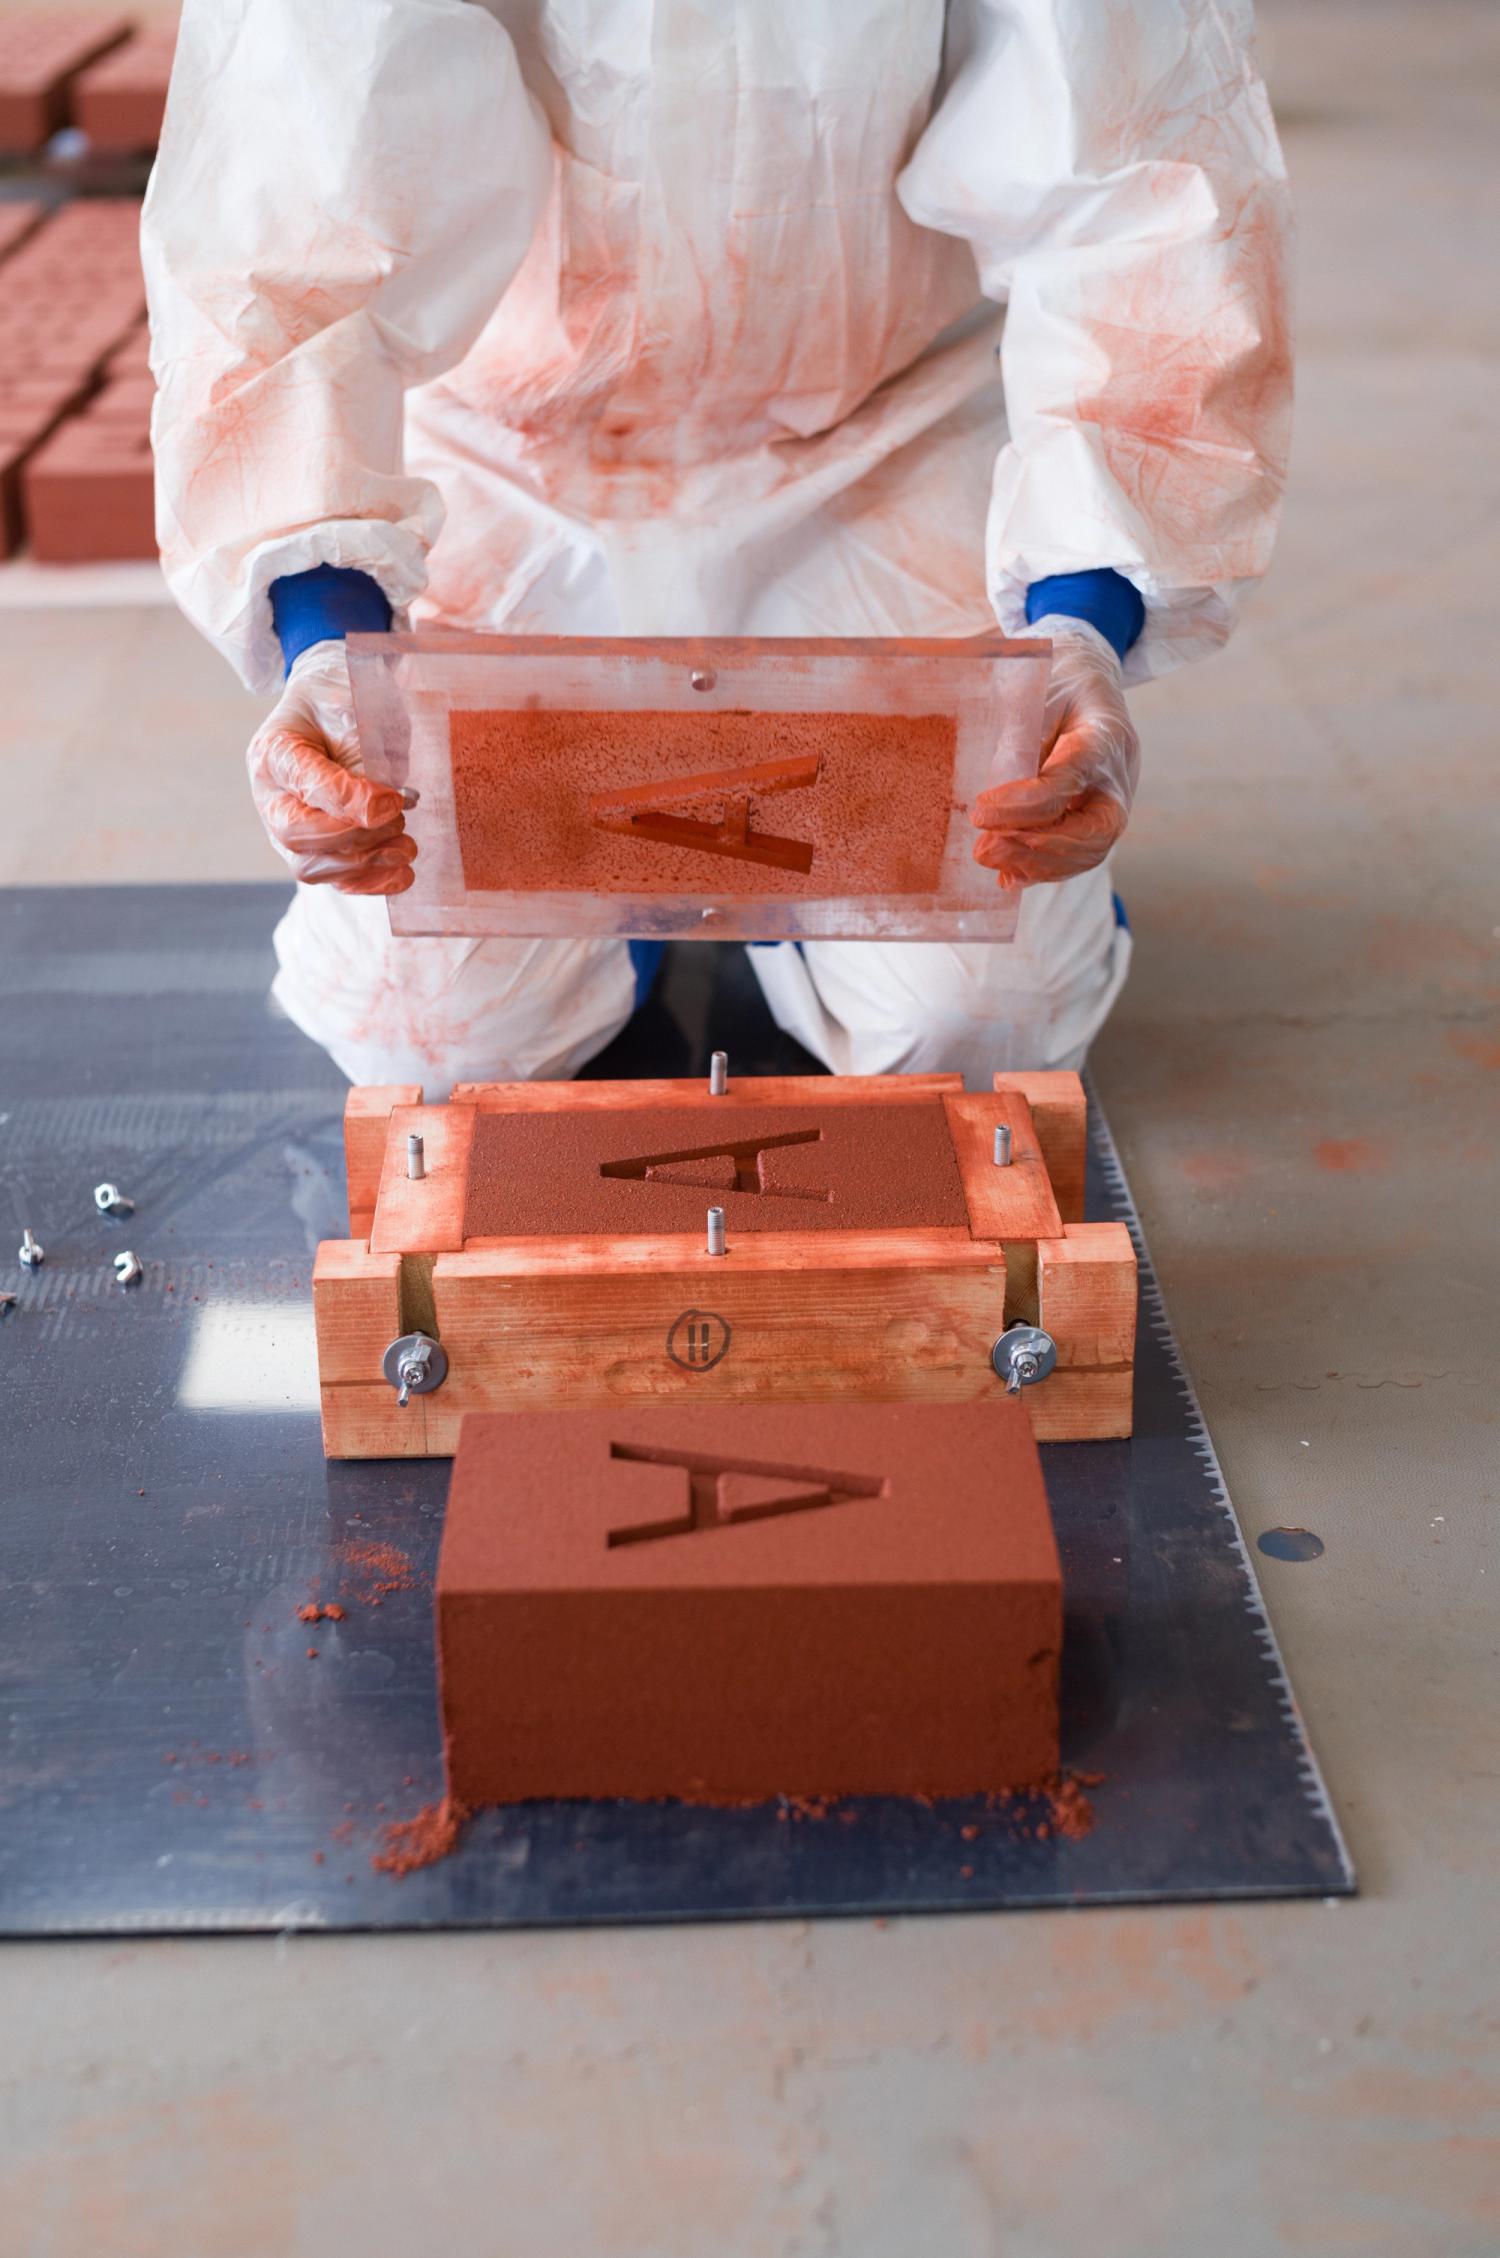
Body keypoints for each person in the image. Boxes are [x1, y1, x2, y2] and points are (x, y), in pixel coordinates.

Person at [143, 0, 1291, 1095]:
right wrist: (330, 635)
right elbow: (291, 205)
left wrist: (1078, 620)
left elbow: (1139, 184)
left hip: (879, 438)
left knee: (982, 1024)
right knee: (430, 1037)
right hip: (513, 451)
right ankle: (640, 921)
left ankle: (730, 890)